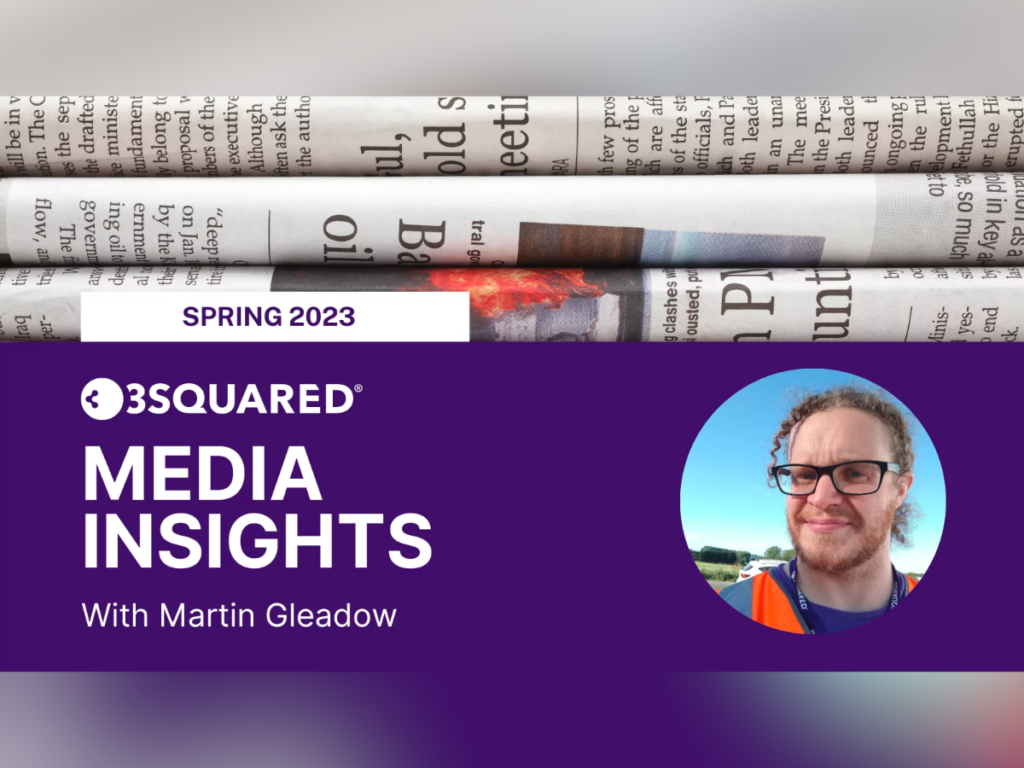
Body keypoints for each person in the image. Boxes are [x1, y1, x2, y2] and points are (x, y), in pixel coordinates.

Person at [718, 386, 920, 634]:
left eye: (855, 473)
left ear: (900, 490)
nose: (821, 498)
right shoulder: (735, 605)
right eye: (804, 475)